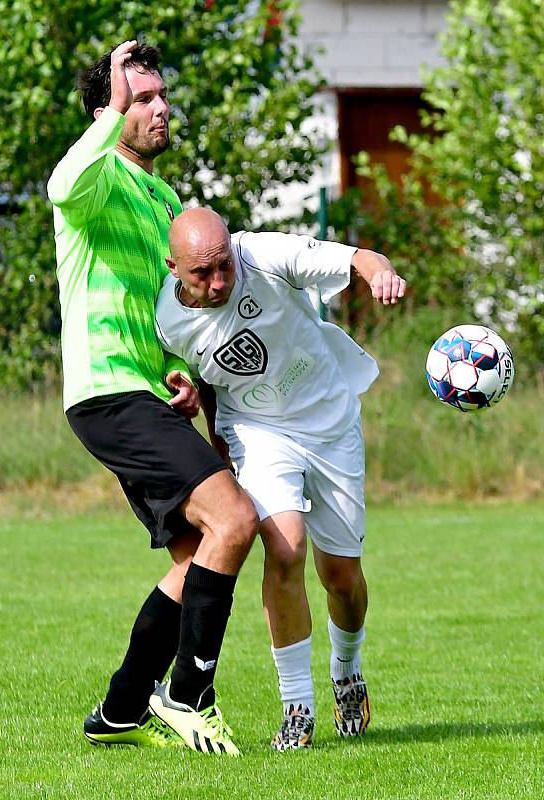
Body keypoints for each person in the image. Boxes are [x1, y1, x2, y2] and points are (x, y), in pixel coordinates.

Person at [47, 42, 258, 756]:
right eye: (139, 98)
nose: (158, 107)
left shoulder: (166, 199)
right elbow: (58, 186)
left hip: (146, 390)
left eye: (160, 95)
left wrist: (177, 365)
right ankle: (188, 694)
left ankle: (120, 709)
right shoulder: (97, 174)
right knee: (234, 516)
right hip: (105, 389)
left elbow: (171, 307)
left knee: (197, 551)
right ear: (108, 107)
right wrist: (109, 111)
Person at [154, 207, 407, 750]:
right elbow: (178, 376)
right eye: (203, 273)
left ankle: (347, 667)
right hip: (260, 432)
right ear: (173, 267)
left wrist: (379, 272)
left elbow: (359, 257)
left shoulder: (260, 255)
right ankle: (297, 707)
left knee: (341, 576)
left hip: (331, 422)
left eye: (225, 265)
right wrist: (180, 390)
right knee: (285, 549)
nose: (220, 281)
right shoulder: (166, 321)